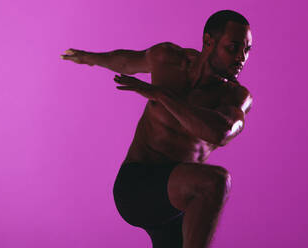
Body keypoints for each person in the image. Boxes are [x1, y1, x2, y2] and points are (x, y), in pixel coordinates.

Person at [61, 9, 253, 248]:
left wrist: (161, 96)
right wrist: (89, 57)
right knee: (215, 182)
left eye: (247, 50)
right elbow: (124, 61)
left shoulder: (236, 97)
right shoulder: (169, 59)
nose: (241, 58)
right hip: (136, 185)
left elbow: (220, 133)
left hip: (176, 202)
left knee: (210, 186)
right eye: (233, 48)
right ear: (208, 41)